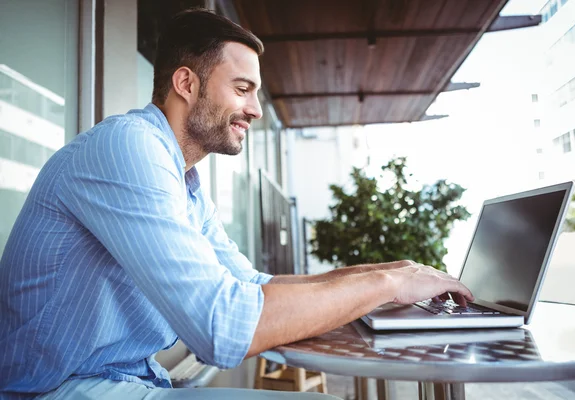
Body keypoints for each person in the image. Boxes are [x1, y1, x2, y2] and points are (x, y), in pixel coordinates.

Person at [0, 8, 473, 400]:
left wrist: (391, 274)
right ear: (186, 84)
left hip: (128, 381)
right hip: (56, 390)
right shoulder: (128, 147)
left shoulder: (182, 180)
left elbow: (250, 284)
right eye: (242, 89)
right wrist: (388, 283)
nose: (256, 110)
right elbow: (222, 328)